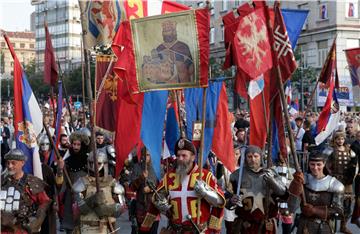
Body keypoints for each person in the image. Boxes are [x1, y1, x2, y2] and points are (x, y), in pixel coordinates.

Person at [140, 138, 225, 233]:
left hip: (198, 231)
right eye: (178, 155)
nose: (180, 159)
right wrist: (160, 203)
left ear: (193, 157)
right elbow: (156, 199)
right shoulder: (169, 177)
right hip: (175, 230)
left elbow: (220, 201)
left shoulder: (205, 175)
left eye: (184, 155)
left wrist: (205, 193)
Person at [226, 145, 287, 234]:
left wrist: (273, 182)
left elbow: (284, 194)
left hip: (266, 225)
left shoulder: (271, 173)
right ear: (245, 158)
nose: (253, 159)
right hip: (245, 225)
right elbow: (227, 201)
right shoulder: (236, 175)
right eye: (249, 156)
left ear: (261, 157)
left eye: (256, 156)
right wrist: (232, 200)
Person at [288, 147, 345, 234]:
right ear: (308, 164)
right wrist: (296, 184)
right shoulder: (303, 179)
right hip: (304, 226)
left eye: (318, 164)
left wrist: (315, 210)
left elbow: (338, 212)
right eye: (312, 164)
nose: (315, 167)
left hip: (323, 227)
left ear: (324, 164)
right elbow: (291, 208)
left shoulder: (335, 185)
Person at [72, 149, 126, 233]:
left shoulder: (112, 184)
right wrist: (91, 201)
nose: (94, 166)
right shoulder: (82, 184)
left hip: (108, 228)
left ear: (104, 164)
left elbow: (121, 209)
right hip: (88, 228)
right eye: (91, 163)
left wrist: (107, 209)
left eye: (98, 163)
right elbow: (77, 210)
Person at [1, 149, 51, 233]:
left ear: (22, 163)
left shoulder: (32, 182)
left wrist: (35, 222)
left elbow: (45, 202)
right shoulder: (2, 180)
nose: (9, 166)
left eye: (13, 163)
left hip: (22, 230)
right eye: (8, 163)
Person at [56, 130, 90, 233]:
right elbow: (60, 184)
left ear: (82, 145)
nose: (75, 147)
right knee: (70, 228)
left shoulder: (89, 161)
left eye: (78, 144)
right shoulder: (67, 161)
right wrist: (60, 170)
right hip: (71, 199)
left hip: (86, 198)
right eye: (74, 144)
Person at [142, 20, 194, 84]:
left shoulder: (183, 46)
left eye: (169, 31)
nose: (167, 34)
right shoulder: (159, 48)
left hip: (182, 81)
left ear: (174, 32)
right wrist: (148, 60)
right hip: (164, 83)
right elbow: (155, 63)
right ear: (162, 34)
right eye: (165, 32)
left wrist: (176, 59)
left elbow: (191, 67)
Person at [326, 130, 356, 234]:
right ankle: (330, 226)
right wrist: (330, 176)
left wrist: (352, 175)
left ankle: (343, 226)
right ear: (334, 140)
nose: (340, 141)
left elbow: (355, 164)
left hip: (347, 182)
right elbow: (326, 165)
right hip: (335, 180)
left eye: (342, 138)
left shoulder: (349, 150)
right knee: (333, 204)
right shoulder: (331, 151)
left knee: (347, 205)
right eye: (338, 139)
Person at [130, 147, 159, 234]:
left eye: (148, 155)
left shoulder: (158, 168)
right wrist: (140, 178)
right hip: (140, 207)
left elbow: (163, 188)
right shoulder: (137, 167)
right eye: (144, 155)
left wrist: (151, 189)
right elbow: (132, 187)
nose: (146, 157)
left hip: (153, 208)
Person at [350, 130, 360, 227]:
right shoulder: (355, 145)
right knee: (359, 196)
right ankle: (356, 217)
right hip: (358, 174)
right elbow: (354, 161)